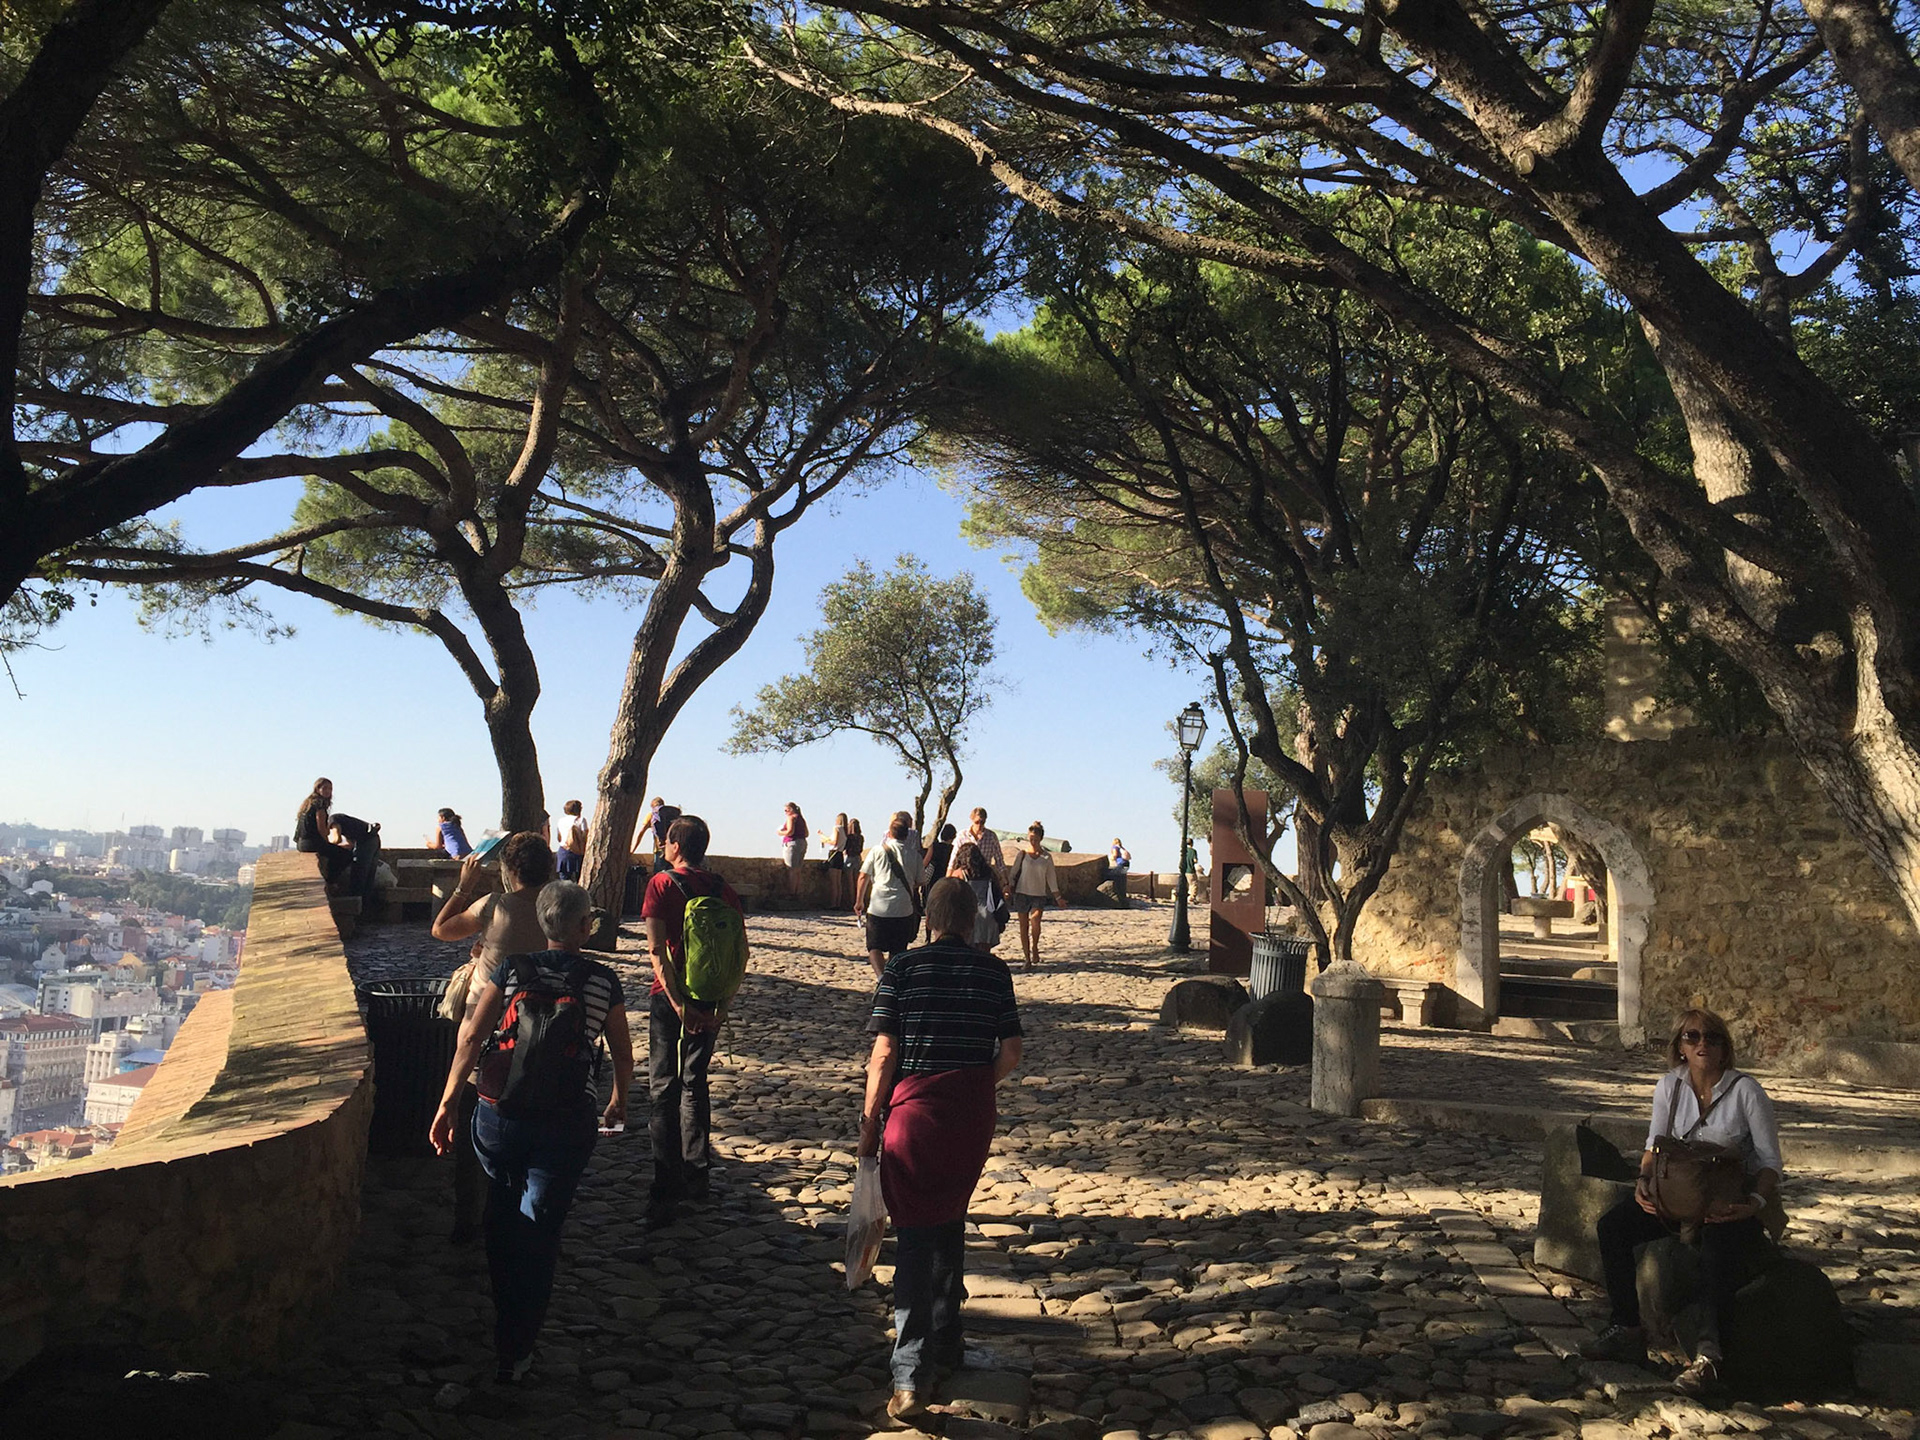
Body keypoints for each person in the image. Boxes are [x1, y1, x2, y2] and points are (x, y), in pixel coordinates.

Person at [428, 880, 631, 1385]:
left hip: (501, 1113)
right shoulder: (602, 980)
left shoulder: (512, 970)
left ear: (542, 924)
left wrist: (449, 1102)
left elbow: (472, 1036)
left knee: (500, 1214)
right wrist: (617, 1101)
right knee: (541, 1228)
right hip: (566, 1120)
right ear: (584, 927)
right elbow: (623, 1053)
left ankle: (504, 1313)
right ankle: (518, 1346)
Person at [859, 878, 1023, 1423]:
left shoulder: (902, 969)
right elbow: (1012, 1051)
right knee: (950, 1216)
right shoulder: (994, 973)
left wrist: (869, 1124)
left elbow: (884, 1053)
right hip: (969, 1119)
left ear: (927, 918)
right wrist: (974, 1086)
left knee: (913, 1237)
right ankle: (948, 1338)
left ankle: (909, 1373)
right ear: (973, 920)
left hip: (913, 1117)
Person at [1582, 1008, 1782, 1395]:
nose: (1703, 1044)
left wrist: (1755, 1202)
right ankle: (1627, 1328)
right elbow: (1654, 1145)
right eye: (1693, 1037)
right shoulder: (1669, 1087)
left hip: (1725, 1202)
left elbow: (1770, 1160)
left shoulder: (1746, 1091)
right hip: (1676, 1197)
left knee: (1715, 1252)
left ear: (1725, 1048)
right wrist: (1643, 1183)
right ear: (1680, 1047)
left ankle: (1709, 1358)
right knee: (1613, 1227)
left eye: (1712, 1037)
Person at [432, 833, 556, 1242]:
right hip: (539, 1030)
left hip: (485, 1029)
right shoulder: (556, 909)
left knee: (473, 1122)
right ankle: (519, 1215)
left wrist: (464, 886)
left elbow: (441, 930)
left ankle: (467, 1219)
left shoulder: (494, 905)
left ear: (509, 869)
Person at [640, 813, 747, 1228]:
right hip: (711, 998)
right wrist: (721, 1008)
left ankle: (666, 1184)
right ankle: (698, 1174)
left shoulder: (661, 883)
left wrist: (679, 1005)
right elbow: (741, 954)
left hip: (670, 1000)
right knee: (694, 1083)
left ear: (675, 845)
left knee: (663, 1087)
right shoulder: (724, 889)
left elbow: (656, 951)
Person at [856, 811, 923, 979]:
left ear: (890, 833)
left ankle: (881, 977)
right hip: (903, 909)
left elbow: (863, 876)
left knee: (874, 947)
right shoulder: (914, 855)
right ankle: (892, 977)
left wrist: (859, 901)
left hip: (879, 907)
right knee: (897, 949)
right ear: (907, 835)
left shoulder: (876, 851)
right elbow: (920, 881)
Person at [1007, 822, 1068, 968]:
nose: (1033, 841)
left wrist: (1058, 897)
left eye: (1035, 838)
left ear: (1040, 839)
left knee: (1035, 920)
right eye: (1030, 838)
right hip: (1022, 893)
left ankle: (1035, 946)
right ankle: (1027, 958)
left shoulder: (1046, 857)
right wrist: (1008, 887)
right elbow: (1013, 874)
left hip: (1038, 895)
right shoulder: (1022, 854)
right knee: (1023, 927)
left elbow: (1051, 879)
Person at [294, 777, 354, 890]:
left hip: (301, 843)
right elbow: (321, 828)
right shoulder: (319, 804)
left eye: (330, 789)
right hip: (311, 843)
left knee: (334, 851)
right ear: (318, 789)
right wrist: (329, 843)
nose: (328, 791)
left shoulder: (308, 803)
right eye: (325, 788)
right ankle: (331, 881)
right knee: (345, 855)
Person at [949, 840, 1007, 953]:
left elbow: (952, 896)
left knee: (967, 951)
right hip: (988, 915)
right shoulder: (989, 872)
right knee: (984, 952)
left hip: (967, 916)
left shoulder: (959, 874)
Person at [921, 823, 957, 939]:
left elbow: (925, 863)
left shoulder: (934, 846)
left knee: (930, 908)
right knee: (945, 908)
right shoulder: (954, 849)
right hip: (946, 880)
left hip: (932, 881)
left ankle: (928, 936)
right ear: (953, 836)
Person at [959, 807, 1006, 888]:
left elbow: (999, 861)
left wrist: (1006, 882)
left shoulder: (991, 836)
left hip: (984, 878)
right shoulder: (962, 835)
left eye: (982, 822)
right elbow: (953, 860)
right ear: (972, 820)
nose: (979, 825)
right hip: (966, 877)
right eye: (977, 822)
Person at [819, 812, 852, 910]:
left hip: (834, 854)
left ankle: (833, 903)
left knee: (833, 882)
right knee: (838, 882)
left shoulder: (837, 828)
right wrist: (823, 835)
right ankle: (838, 903)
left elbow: (834, 842)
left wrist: (825, 841)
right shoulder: (845, 831)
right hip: (840, 855)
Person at [778, 801, 808, 898]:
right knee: (798, 870)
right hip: (802, 843)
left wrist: (780, 832)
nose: (785, 812)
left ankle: (791, 893)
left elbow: (790, 832)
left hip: (792, 843)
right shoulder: (801, 819)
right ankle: (797, 892)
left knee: (792, 870)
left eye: (786, 810)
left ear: (791, 810)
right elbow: (806, 833)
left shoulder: (791, 818)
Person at [556, 800, 588, 881]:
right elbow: (585, 836)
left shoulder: (561, 821)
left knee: (564, 880)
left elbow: (559, 838)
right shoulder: (581, 820)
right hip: (577, 852)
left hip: (563, 851)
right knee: (580, 879)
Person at [843, 819, 866, 913]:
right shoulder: (861, 837)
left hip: (850, 858)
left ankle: (851, 902)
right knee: (857, 882)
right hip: (858, 858)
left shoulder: (849, 837)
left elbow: (845, 848)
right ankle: (858, 901)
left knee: (850, 883)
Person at [1104, 838, 1132, 904]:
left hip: (1121, 863)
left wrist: (1111, 858)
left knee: (1110, 875)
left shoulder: (1115, 847)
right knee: (1121, 878)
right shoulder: (1122, 848)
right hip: (1127, 864)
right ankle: (1122, 895)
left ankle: (1116, 894)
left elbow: (1115, 855)